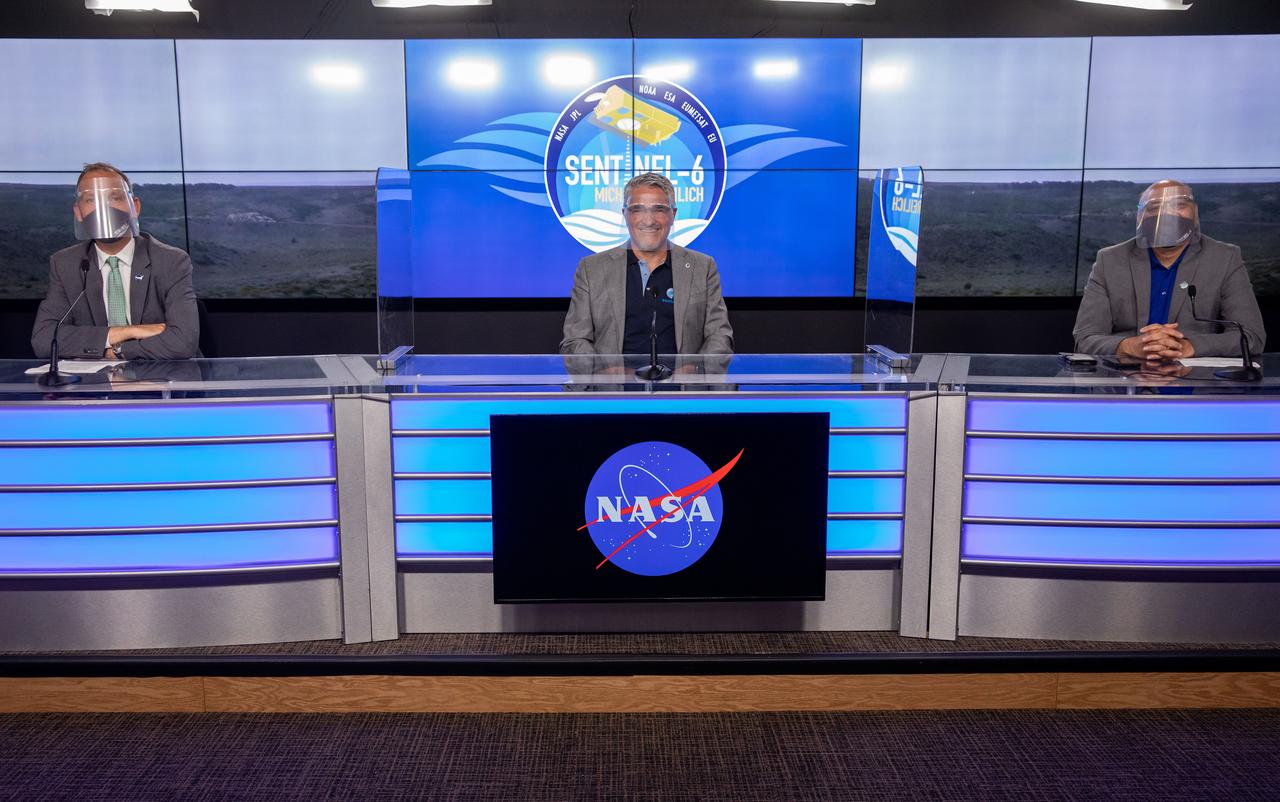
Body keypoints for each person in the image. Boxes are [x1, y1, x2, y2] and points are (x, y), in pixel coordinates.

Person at [1073, 180, 1265, 360]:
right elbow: (1085, 338)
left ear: (1195, 213)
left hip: (1196, 386)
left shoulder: (1224, 257)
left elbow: (1251, 336)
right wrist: (1131, 346)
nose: (1166, 215)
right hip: (1126, 384)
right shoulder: (1110, 260)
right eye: (1154, 208)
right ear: (1140, 216)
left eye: (1179, 205)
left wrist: (1188, 346)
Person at [31, 163, 199, 361]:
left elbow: (183, 342)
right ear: (78, 212)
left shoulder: (171, 261)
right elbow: (44, 340)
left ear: (134, 206)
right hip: (95, 387)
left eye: (116, 198)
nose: (104, 208)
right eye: (91, 199)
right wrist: (125, 332)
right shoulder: (65, 264)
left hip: (162, 381)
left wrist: (116, 352)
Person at [559, 172, 733, 356]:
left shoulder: (703, 267)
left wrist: (698, 370)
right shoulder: (591, 269)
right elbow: (574, 341)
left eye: (659, 209)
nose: (649, 220)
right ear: (624, 214)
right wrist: (602, 370)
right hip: (614, 385)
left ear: (673, 215)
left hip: (682, 384)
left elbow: (720, 336)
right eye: (637, 210)